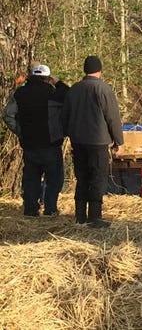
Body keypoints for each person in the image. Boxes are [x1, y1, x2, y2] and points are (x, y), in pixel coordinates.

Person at [62, 55, 124, 228]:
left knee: (81, 177)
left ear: (85, 70)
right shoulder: (103, 89)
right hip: (98, 141)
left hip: (78, 141)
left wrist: (68, 133)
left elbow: (64, 116)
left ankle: (79, 216)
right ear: (100, 70)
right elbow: (112, 117)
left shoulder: (74, 89)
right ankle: (94, 217)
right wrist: (118, 141)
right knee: (97, 177)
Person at [2, 64, 69, 217]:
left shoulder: (20, 93)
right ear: (48, 78)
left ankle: (30, 210)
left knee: (31, 178)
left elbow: (7, 115)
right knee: (53, 179)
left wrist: (20, 131)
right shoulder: (52, 92)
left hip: (29, 145)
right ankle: (50, 209)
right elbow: (68, 94)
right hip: (50, 144)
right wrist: (57, 82)